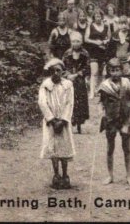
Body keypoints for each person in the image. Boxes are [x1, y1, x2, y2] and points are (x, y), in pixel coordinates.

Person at [98, 57, 130, 186]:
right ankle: (110, 175)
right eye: (112, 70)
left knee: (127, 148)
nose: (115, 73)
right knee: (110, 148)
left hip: (125, 119)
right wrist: (102, 114)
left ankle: (129, 176)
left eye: (117, 70)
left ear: (121, 70)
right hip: (111, 120)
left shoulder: (126, 83)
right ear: (108, 71)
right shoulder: (105, 86)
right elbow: (101, 103)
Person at [38, 58, 75, 189]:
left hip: (63, 122)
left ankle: (65, 175)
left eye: (58, 70)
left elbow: (69, 103)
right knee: (52, 147)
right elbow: (42, 103)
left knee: (64, 146)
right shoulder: (45, 85)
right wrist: (52, 120)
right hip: (51, 122)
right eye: (52, 71)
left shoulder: (68, 85)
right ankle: (56, 174)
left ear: (63, 72)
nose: (55, 73)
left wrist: (63, 119)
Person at [63, 33, 89, 134]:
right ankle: (69, 121)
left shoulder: (85, 53)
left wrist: (78, 74)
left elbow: (87, 67)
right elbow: (62, 66)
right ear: (71, 42)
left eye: (78, 41)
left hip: (79, 80)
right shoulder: (67, 53)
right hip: (69, 80)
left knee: (80, 101)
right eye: (74, 41)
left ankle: (79, 122)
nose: (76, 43)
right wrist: (68, 75)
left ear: (81, 42)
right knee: (69, 100)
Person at [85, 10, 110, 99]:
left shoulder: (106, 26)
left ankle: (100, 90)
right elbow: (86, 39)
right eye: (96, 16)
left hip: (103, 51)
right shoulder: (90, 26)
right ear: (94, 17)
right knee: (94, 72)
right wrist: (96, 42)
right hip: (93, 51)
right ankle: (91, 92)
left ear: (102, 17)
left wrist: (105, 41)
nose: (98, 18)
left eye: (99, 16)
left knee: (103, 73)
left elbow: (109, 38)